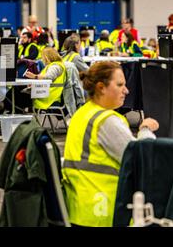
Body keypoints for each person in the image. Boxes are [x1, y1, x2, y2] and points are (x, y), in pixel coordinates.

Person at [62, 61, 159, 227]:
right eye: (120, 85)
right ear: (101, 87)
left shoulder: (82, 114)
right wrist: (145, 131)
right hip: (104, 211)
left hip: (79, 208)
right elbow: (140, 160)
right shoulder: (106, 122)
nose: (126, 91)